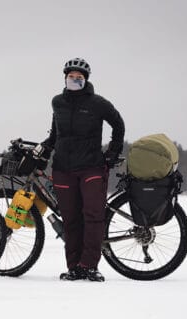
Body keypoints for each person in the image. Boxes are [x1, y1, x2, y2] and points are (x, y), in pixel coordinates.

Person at [42, 57, 125, 282]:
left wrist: (111, 154)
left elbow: (118, 124)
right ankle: (73, 267)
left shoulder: (97, 103)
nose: (75, 80)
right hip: (63, 168)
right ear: (65, 78)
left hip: (91, 167)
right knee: (70, 219)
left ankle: (88, 265)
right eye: (71, 77)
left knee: (93, 216)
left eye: (79, 77)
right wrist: (45, 151)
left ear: (85, 80)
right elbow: (55, 133)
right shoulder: (57, 102)